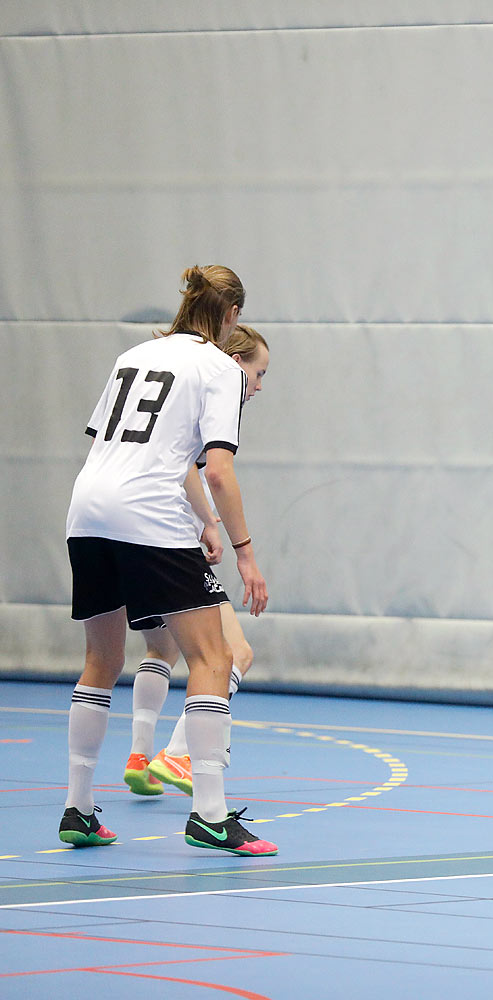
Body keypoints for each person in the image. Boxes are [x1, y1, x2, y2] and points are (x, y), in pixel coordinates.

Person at [60, 265, 276, 856]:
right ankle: (209, 814)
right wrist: (245, 553)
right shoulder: (219, 368)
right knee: (216, 655)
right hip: (148, 514)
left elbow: (125, 444)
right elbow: (218, 468)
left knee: (100, 660)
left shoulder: (134, 355)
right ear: (231, 316)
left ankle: (77, 809)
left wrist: (202, 521)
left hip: (88, 507)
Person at [122, 325, 269, 797]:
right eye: (258, 372)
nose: (260, 386)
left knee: (159, 651)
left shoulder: (179, 387)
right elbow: (202, 471)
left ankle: (140, 757)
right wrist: (215, 524)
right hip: (169, 542)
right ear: (236, 361)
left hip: (125, 538)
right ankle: (179, 754)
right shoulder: (214, 392)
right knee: (233, 653)